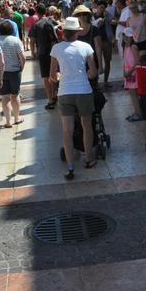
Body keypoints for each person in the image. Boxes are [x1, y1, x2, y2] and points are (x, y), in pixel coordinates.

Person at [49, 16, 98, 180]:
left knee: (66, 130)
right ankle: (89, 158)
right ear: (77, 32)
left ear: (63, 33)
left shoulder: (56, 49)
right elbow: (93, 72)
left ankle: (70, 166)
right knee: (87, 126)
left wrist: (60, 75)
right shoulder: (86, 47)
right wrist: (86, 75)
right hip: (84, 90)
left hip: (65, 93)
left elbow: (52, 77)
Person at [0, 19, 26, 127]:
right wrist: (21, 68)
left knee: (5, 97)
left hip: (1, 72)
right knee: (15, 95)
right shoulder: (15, 40)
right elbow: (22, 57)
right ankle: (17, 117)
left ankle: (8, 121)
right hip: (15, 71)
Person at [30, 4, 58, 109]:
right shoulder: (51, 21)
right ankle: (55, 94)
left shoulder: (36, 25)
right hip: (54, 52)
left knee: (46, 77)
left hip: (43, 53)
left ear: (37, 12)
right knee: (55, 74)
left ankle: (50, 100)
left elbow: (32, 41)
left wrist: (32, 53)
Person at [73, 5, 103, 78]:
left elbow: (98, 48)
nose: (82, 16)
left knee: (93, 86)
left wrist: (100, 65)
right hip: (79, 64)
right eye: (79, 15)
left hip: (92, 63)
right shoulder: (74, 31)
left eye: (84, 14)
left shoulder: (94, 30)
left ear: (88, 15)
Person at [122, 27, 141, 121]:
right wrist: (124, 72)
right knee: (132, 94)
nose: (125, 38)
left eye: (127, 36)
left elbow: (137, 62)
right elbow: (125, 61)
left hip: (134, 73)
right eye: (124, 36)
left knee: (135, 94)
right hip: (128, 74)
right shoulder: (125, 47)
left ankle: (139, 113)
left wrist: (129, 72)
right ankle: (137, 111)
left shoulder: (133, 47)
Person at [95, 1, 113, 88]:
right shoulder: (93, 17)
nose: (102, 9)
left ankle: (106, 81)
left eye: (104, 7)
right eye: (100, 7)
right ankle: (96, 81)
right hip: (96, 42)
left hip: (107, 41)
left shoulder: (107, 15)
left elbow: (113, 22)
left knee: (107, 61)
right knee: (96, 61)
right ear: (97, 7)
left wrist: (106, 16)